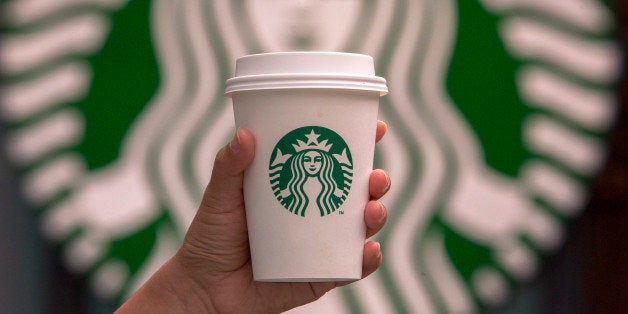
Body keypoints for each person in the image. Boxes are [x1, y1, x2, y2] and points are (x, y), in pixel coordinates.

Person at [117, 121, 390, 313]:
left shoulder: (328, 189)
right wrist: (199, 290)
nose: (312, 163)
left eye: (318, 159)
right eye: (306, 159)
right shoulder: (293, 188)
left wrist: (200, 293)